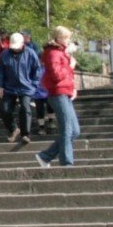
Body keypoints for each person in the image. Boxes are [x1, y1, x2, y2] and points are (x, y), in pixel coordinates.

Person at [35, 27, 80, 168]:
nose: (68, 41)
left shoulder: (61, 53)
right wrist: (70, 66)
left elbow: (66, 75)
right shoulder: (53, 53)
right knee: (67, 128)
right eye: (66, 38)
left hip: (65, 92)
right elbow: (56, 75)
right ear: (58, 38)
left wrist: (73, 88)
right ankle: (67, 162)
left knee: (75, 131)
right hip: (57, 93)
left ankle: (45, 156)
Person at [0, 31, 43, 144]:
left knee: (25, 108)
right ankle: (14, 129)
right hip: (9, 87)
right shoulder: (4, 55)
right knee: (4, 109)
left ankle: (26, 134)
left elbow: (37, 71)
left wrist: (34, 85)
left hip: (26, 87)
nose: (15, 49)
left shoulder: (30, 53)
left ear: (22, 44)